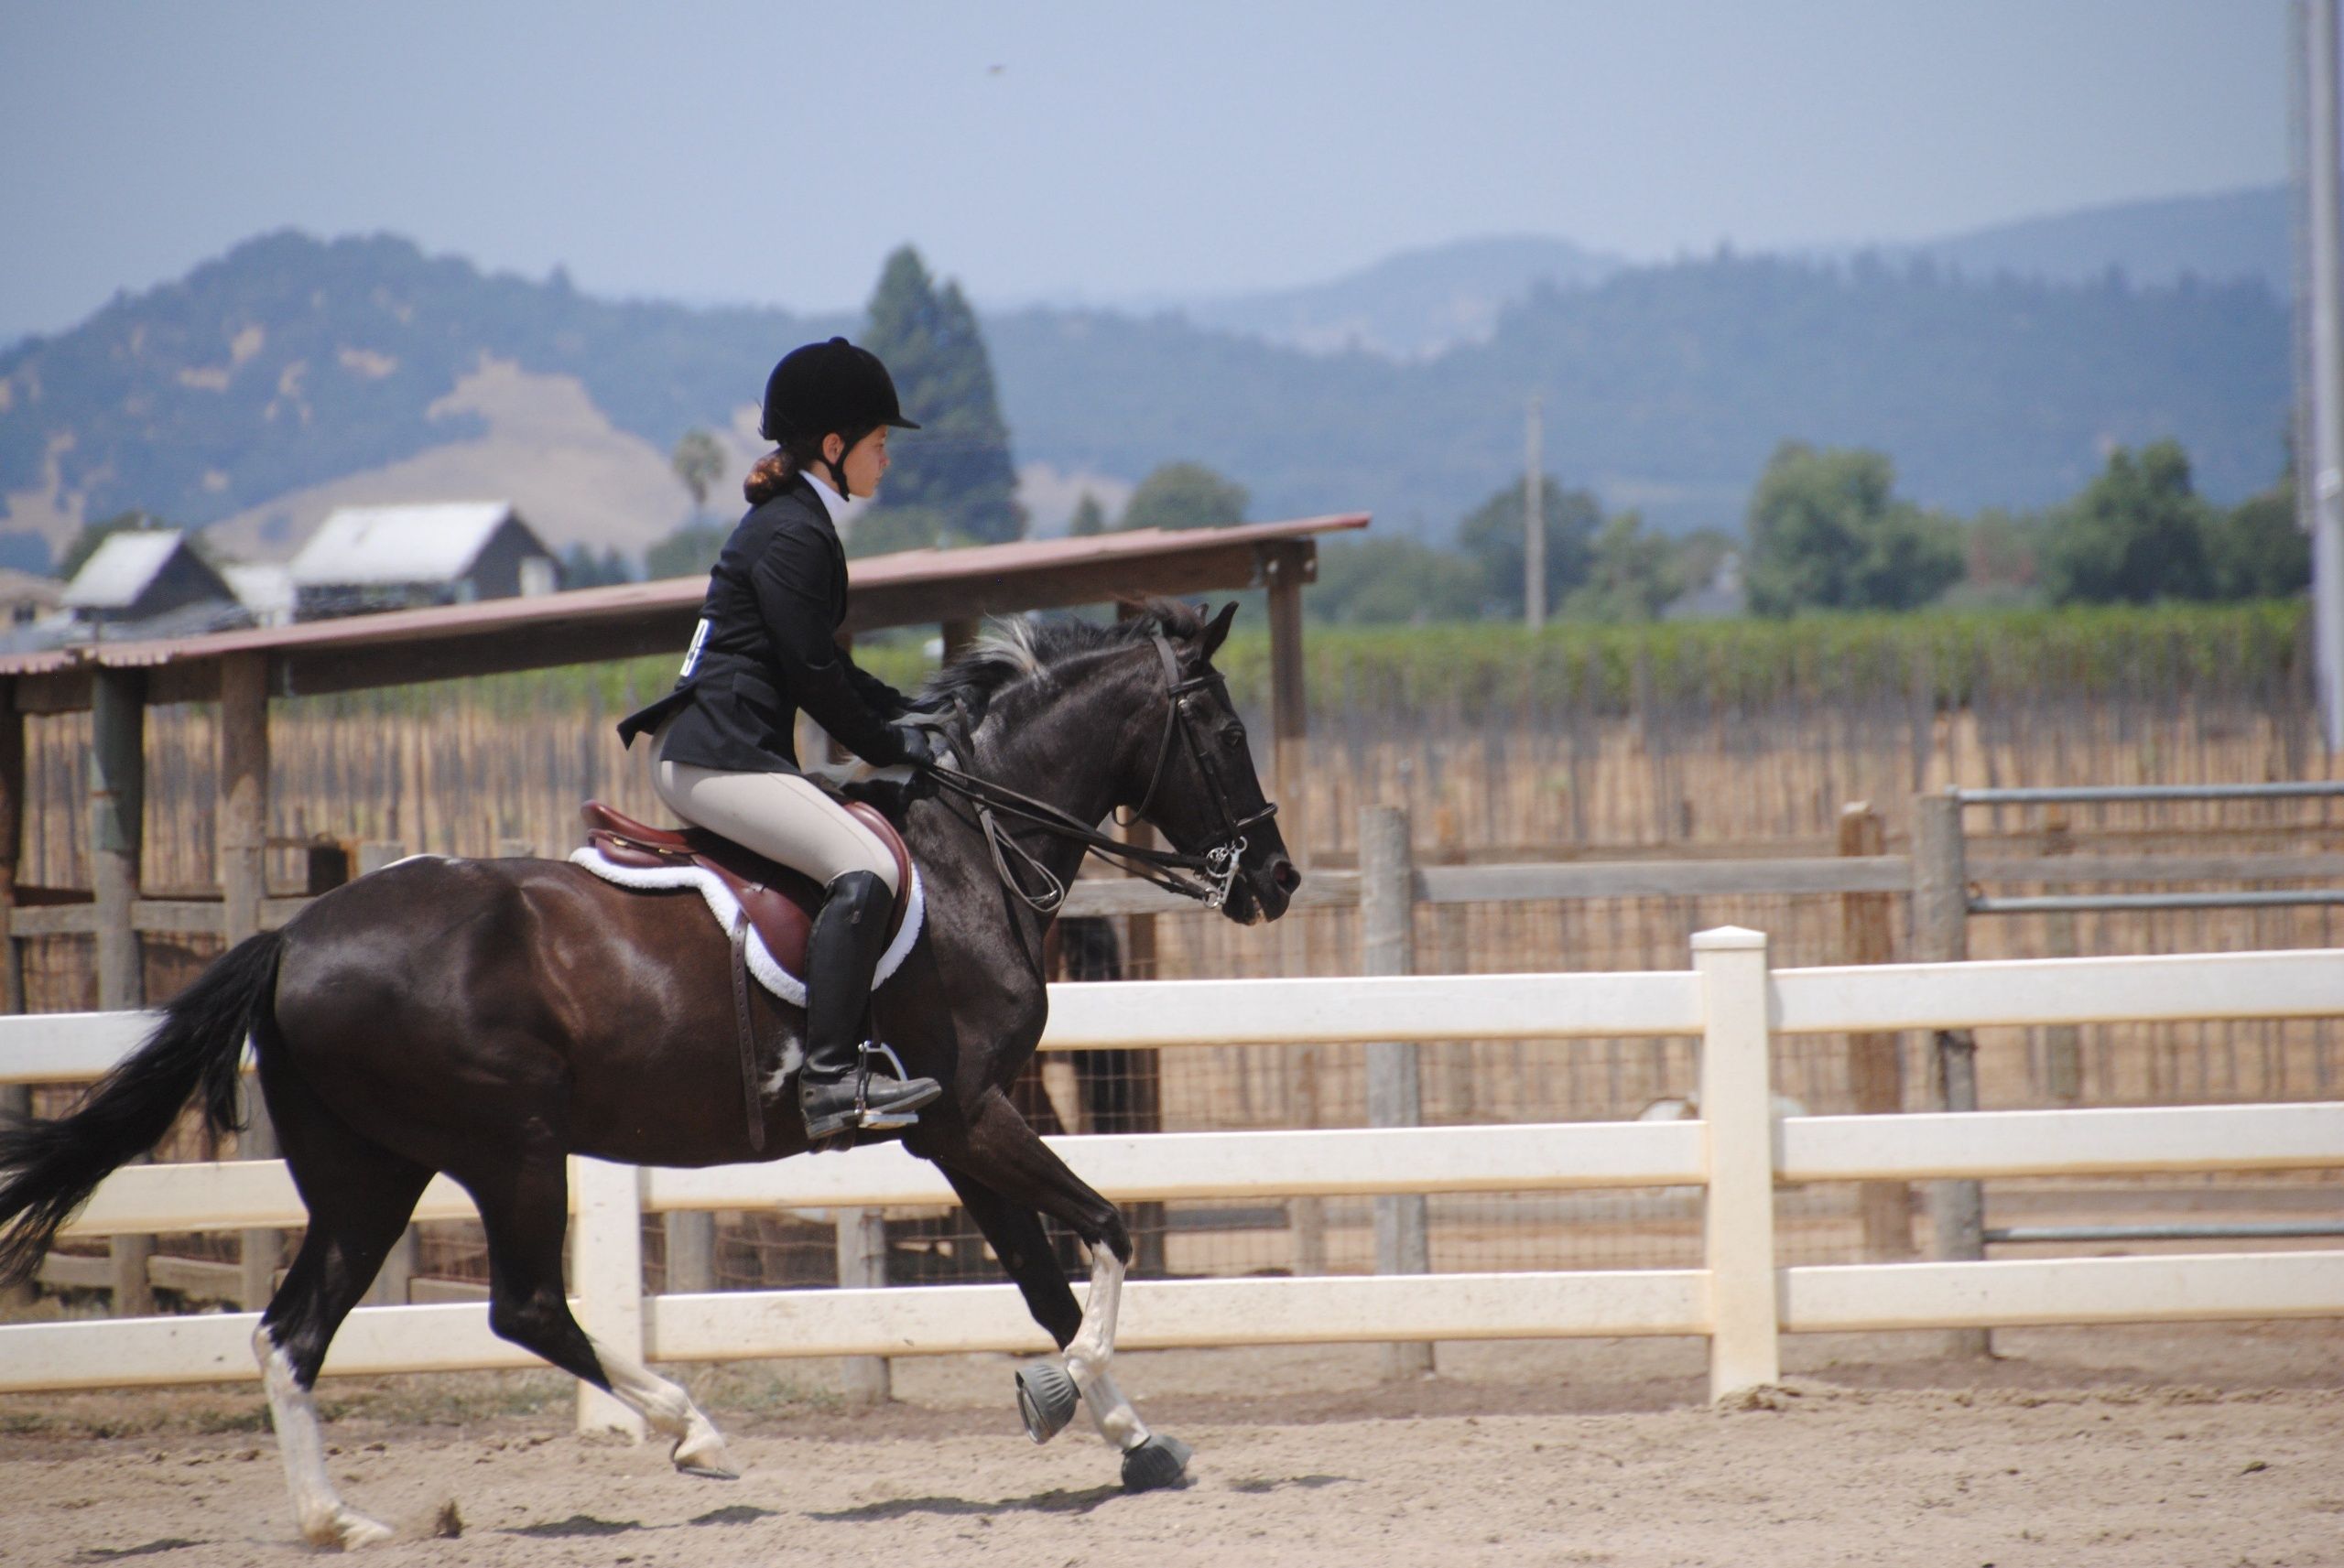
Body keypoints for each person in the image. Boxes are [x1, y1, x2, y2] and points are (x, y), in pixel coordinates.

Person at [617, 338, 943, 1141]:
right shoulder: (796, 534)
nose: (886, 460)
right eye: (878, 445)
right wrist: (894, 741)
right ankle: (831, 1079)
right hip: (715, 755)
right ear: (833, 449)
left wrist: (916, 714)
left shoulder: (794, 521)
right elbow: (815, 678)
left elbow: (830, 665)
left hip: (727, 750)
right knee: (864, 868)